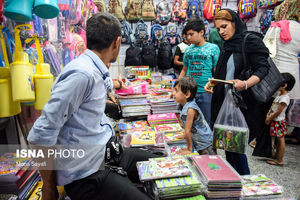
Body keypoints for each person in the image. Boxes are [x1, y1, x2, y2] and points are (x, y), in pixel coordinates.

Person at [27, 13, 157, 200]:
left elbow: (85, 102)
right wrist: (48, 188)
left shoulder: (93, 68)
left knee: (164, 163)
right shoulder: (82, 74)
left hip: (108, 153)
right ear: (117, 42)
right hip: (88, 175)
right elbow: (40, 134)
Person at [204, 9, 270, 175]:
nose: (221, 32)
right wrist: (213, 83)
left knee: (236, 148)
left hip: (241, 105)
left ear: (234, 23)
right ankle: (236, 183)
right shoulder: (228, 44)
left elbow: (263, 68)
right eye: (218, 29)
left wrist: (246, 84)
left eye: (224, 26)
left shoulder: (250, 41)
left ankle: (245, 183)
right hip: (226, 103)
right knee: (229, 148)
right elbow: (224, 71)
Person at [179, 16, 220, 125]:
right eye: (187, 35)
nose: (188, 37)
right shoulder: (188, 50)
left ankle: (206, 142)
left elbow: (216, 72)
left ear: (201, 32)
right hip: (188, 91)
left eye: (191, 34)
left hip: (205, 91)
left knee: (205, 122)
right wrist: (177, 86)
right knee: (188, 122)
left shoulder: (213, 48)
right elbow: (184, 69)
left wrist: (212, 87)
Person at [172, 77, 214, 155]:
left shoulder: (190, 109)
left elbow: (188, 130)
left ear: (187, 94)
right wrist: (185, 135)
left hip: (205, 144)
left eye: (176, 91)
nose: (173, 93)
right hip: (199, 141)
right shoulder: (183, 105)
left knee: (208, 164)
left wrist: (189, 149)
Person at [265, 73, 295, 166]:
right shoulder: (280, 95)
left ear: (285, 85)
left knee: (281, 140)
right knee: (278, 139)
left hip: (278, 121)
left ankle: (280, 159)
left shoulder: (284, 98)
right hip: (275, 120)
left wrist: (269, 118)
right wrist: (268, 114)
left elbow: (278, 111)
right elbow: (274, 107)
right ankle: (277, 155)